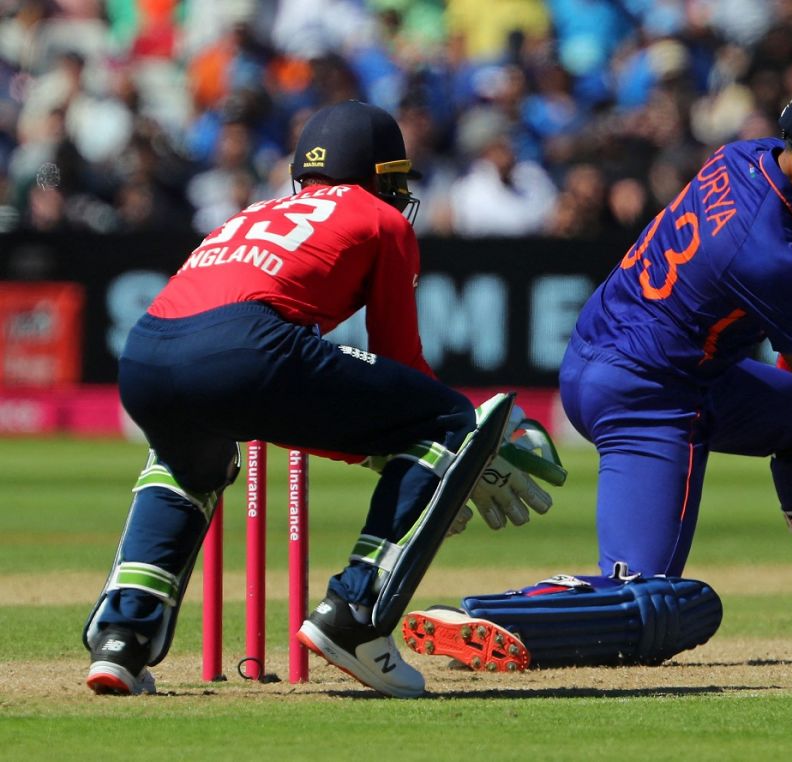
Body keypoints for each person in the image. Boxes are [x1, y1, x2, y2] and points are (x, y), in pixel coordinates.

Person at [406, 75, 792, 668]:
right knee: (657, 602)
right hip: (641, 392)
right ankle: (496, 616)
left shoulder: (756, 158)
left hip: (671, 367)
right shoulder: (765, 254)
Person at [82, 100, 557, 698]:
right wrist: (450, 461)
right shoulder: (383, 221)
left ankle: (122, 637)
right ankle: (354, 615)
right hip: (248, 346)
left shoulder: (252, 211)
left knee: (191, 464)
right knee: (448, 420)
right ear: (376, 175)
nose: (399, 193)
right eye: (395, 180)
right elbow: (401, 368)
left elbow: (300, 409)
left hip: (145, 354)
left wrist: (381, 453)